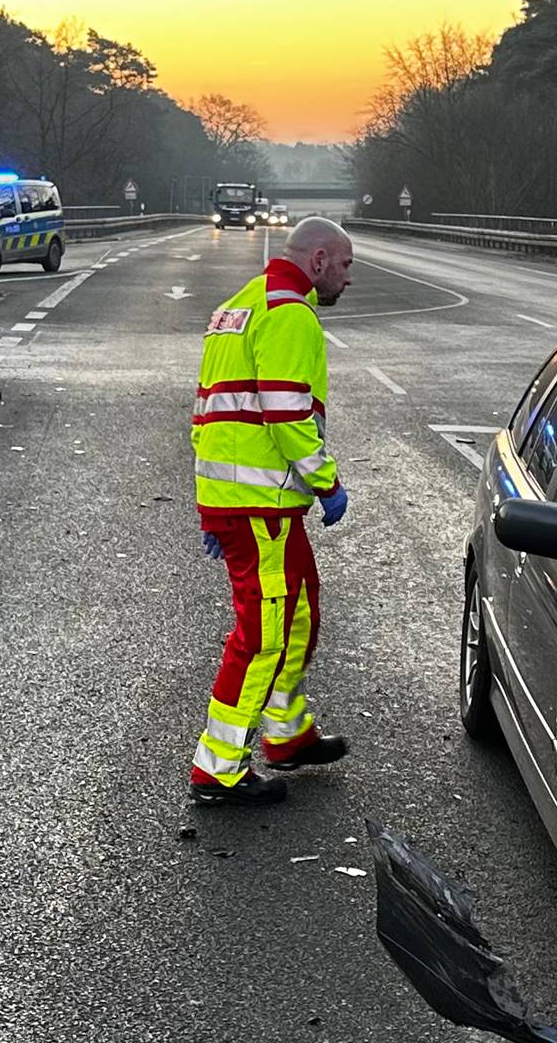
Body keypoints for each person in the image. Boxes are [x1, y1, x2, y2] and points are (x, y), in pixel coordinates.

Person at [186, 216, 357, 807]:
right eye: (344, 264)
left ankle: (287, 734)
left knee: (301, 612)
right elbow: (287, 414)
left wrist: (212, 505)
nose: (347, 277)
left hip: (247, 501)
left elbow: (206, 412)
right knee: (262, 636)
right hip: (261, 506)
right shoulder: (290, 314)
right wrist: (327, 482)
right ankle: (220, 768)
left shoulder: (238, 307)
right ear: (316, 261)